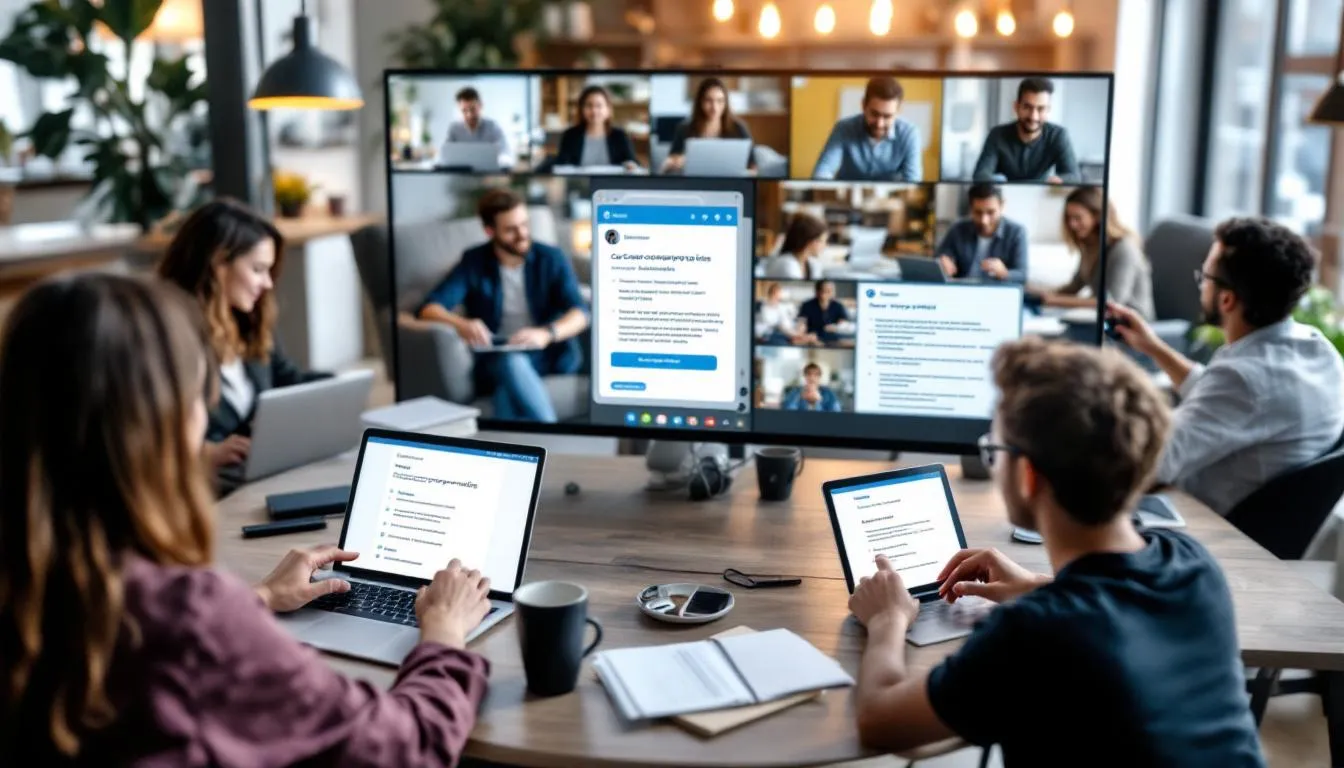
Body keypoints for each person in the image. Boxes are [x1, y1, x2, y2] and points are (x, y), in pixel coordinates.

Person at [0, 273, 494, 765]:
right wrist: (445, 631)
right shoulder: (190, 619)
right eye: (197, 399)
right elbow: (408, 747)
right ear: (161, 427)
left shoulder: (36, 586)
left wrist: (259, 597)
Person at [848, 337, 1266, 766]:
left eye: (995, 451)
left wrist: (887, 619)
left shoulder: (1033, 634)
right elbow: (1116, 613)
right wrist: (1037, 587)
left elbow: (880, 721)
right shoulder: (1192, 562)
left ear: (1028, 476)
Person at [1107, 217, 1344, 515]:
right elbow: (1222, 400)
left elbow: (1151, 461)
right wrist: (1153, 347)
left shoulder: (1244, 379)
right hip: (1266, 526)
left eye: (1204, 277)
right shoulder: (1318, 349)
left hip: (1201, 521)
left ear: (1227, 299)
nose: (1201, 285)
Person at [155, 199, 330, 489]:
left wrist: (339, 389)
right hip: (205, 486)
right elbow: (148, 435)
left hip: (253, 474)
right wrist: (205, 453)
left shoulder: (251, 321)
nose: (268, 284)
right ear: (218, 264)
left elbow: (287, 379)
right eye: (258, 269)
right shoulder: (164, 337)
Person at [419, 189, 589, 423]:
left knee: (505, 394)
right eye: (511, 230)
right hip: (496, 354)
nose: (522, 234)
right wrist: (461, 324)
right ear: (490, 231)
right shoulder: (474, 261)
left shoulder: (551, 258)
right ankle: (552, 432)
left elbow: (581, 313)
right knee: (510, 362)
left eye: (525, 224)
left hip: (546, 352)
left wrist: (546, 334)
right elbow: (429, 308)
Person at [1038, 187, 1154, 319]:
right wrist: (1039, 292)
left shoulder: (1123, 248)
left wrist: (1055, 300)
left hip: (1132, 323)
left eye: (1077, 218)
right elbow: (1075, 286)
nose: (1072, 224)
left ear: (1097, 216)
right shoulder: (1091, 245)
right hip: (1105, 319)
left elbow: (1112, 302)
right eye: (1069, 218)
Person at [811, 76, 922, 182]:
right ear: (863, 105)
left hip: (890, 195)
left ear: (898, 111)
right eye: (874, 114)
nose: (879, 124)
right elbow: (822, 172)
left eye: (887, 116)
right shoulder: (843, 128)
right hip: (847, 194)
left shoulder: (910, 134)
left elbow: (913, 181)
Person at [972, 77, 1079, 183]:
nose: (1034, 117)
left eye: (1041, 109)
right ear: (1016, 107)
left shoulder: (1058, 135)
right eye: (1027, 107)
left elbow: (1074, 176)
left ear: (1048, 110)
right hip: (1003, 193)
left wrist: (1059, 180)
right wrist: (998, 180)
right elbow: (980, 175)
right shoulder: (997, 135)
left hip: (1042, 193)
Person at [934, 184, 1027, 284]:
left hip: (996, 290)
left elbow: (1022, 275)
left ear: (1002, 205)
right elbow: (939, 258)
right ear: (970, 208)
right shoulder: (958, 229)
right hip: (961, 287)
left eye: (991, 212)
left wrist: (1004, 273)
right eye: (978, 212)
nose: (984, 221)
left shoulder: (1017, 232)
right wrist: (942, 263)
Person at [660, 77, 754, 174]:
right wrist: (676, 162)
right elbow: (669, 164)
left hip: (730, 180)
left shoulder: (738, 128)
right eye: (709, 100)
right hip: (695, 180)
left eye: (720, 101)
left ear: (726, 103)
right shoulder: (684, 129)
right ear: (700, 102)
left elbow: (753, 166)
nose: (715, 107)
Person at [538, 85, 639, 172]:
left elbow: (633, 163)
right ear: (581, 109)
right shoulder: (570, 135)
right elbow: (561, 164)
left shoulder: (620, 136)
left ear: (608, 110)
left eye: (599, 106)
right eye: (589, 105)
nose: (594, 110)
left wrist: (631, 166)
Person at [441, 86, 514, 169]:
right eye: (464, 110)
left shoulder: (493, 127)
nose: (469, 115)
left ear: (481, 106)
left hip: (488, 174)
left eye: (473, 109)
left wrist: (501, 162)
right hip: (461, 174)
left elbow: (506, 154)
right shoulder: (453, 129)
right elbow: (445, 156)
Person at [759, 212, 828, 280]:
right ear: (810, 241)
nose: (825, 245)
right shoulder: (787, 265)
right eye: (823, 241)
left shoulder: (809, 263)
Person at [797, 280, 850, 344]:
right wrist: (801, 333)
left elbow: (843, 323)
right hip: (812, 337)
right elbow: (802, 323)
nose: (830, 293)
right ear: (817, 291)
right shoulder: (807, 305)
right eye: (826, 290)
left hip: (832, 337)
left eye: (831, 290)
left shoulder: (838, 306)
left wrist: (836, 327)